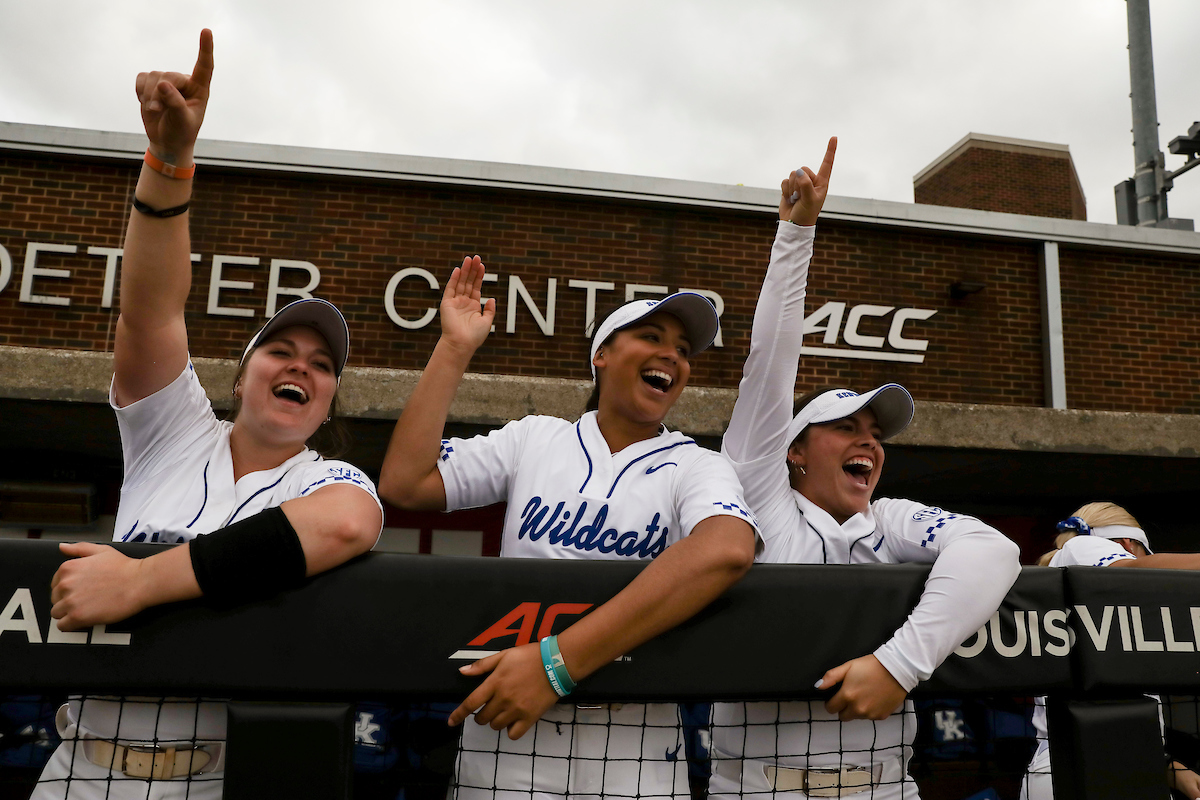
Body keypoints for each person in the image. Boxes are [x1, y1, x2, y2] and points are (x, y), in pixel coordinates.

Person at [35, 30, 384, 799]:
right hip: (80, 772)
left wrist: (140, 581)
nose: (302, 367)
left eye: (322, 364)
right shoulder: (174, 429)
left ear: (328, 401)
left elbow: (346, 526)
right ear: (241, 376)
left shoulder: (330, 478)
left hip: (216, 780)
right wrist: (169, 161)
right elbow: (151, 311)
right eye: (281, 351)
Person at [378, 257, 760, 800]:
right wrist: (454, 348)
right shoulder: (535, 438)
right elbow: (405, 482)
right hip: (511, 727)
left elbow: (726, 549)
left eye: (683, 349)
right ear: (601, 355)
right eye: (652, 336)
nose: (672, 355)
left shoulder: (697, 463)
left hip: (637, 733)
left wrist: (556, 665)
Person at [710, 139, 1022, 800]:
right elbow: (770, 365)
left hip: (887, 788)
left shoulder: (890, 519)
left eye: (876, 434)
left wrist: (899, 665)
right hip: (760, 789)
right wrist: (796, 235)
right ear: (794, 450)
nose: (869, 443)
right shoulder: (759, 500)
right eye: (847, 427)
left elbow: (994, 550)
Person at [1023, 502, 1200, 800]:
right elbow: (1130, 571)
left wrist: (1169, 766)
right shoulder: (1080, 547)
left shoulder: (1103, 608)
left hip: (1104, 766)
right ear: (1127, 544)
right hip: (1078, 769)